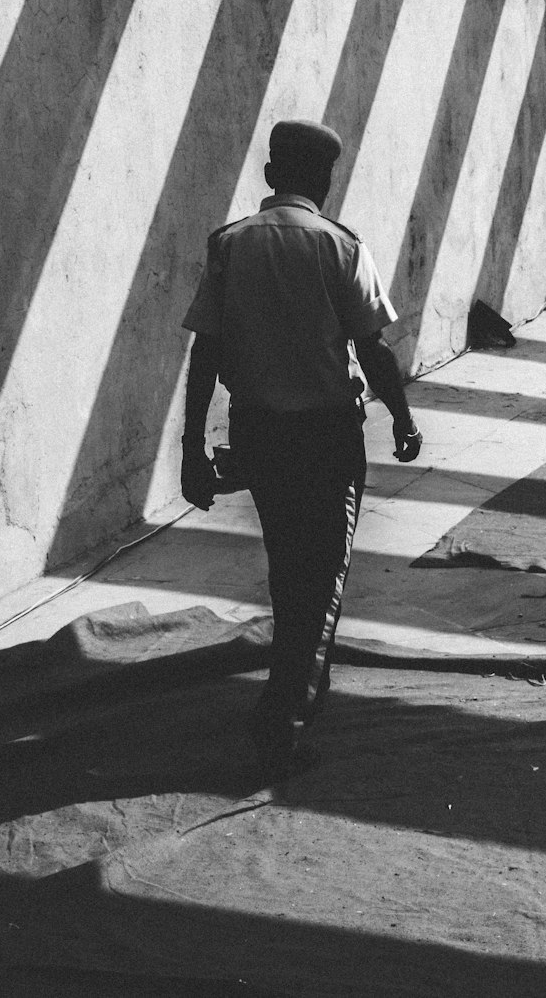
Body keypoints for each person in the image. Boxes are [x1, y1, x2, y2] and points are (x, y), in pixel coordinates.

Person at [180, 120, 422, 776]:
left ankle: (302, 692)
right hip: (327, 436)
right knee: (329, 570)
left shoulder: (229, 245)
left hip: (259, 433)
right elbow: (372, 347)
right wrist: (401, 418)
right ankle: (283, 715)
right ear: (324, 180)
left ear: (269, 175)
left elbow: (206, 352)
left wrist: (191, 450)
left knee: (291, 567)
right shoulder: (340, 245)